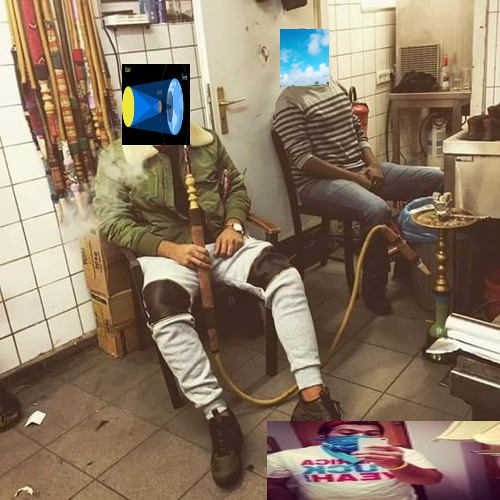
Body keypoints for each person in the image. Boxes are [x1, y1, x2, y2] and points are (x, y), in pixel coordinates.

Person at [93, 122, 344, 488]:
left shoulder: (205, 141)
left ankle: (312, 396)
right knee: (164, 312)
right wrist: (168, 249)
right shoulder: (117, 156)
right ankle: (218, 416)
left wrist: (234, 224)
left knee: (284, 276)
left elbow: (235, 186)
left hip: (222, 244)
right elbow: (112, 223)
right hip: (169, 254)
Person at [273, 82, 444, 315]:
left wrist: (373, 164)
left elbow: (358, 132)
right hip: (316, 184)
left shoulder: (336, 88)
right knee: (376, 209)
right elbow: (304, 160)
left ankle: (407, 263)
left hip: (360, 169)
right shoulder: (289, 102)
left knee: (436, 179)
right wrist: (353, 177)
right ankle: (374, 287)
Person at [267, 421, 442, 500]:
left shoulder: (402, 454)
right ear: (324, 437)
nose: (360, 437)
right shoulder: (289, 456)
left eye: (371, 434)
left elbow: (433, 479)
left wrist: (399, 466)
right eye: (347, 433)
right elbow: (271, 485)